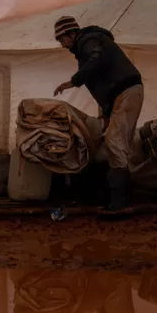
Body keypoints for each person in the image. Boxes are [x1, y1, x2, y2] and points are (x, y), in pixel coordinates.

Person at [53, 16, 143, 212]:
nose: (62, 46)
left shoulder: (89, 40)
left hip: (127, 91)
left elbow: (97, 58)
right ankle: (121, 198)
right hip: (123, 93)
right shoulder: (87, 46)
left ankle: (121, 201)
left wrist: (73, 81)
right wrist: (108, 113)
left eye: (62, 40)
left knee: (114, 140)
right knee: (116, 142)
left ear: (71, 34)